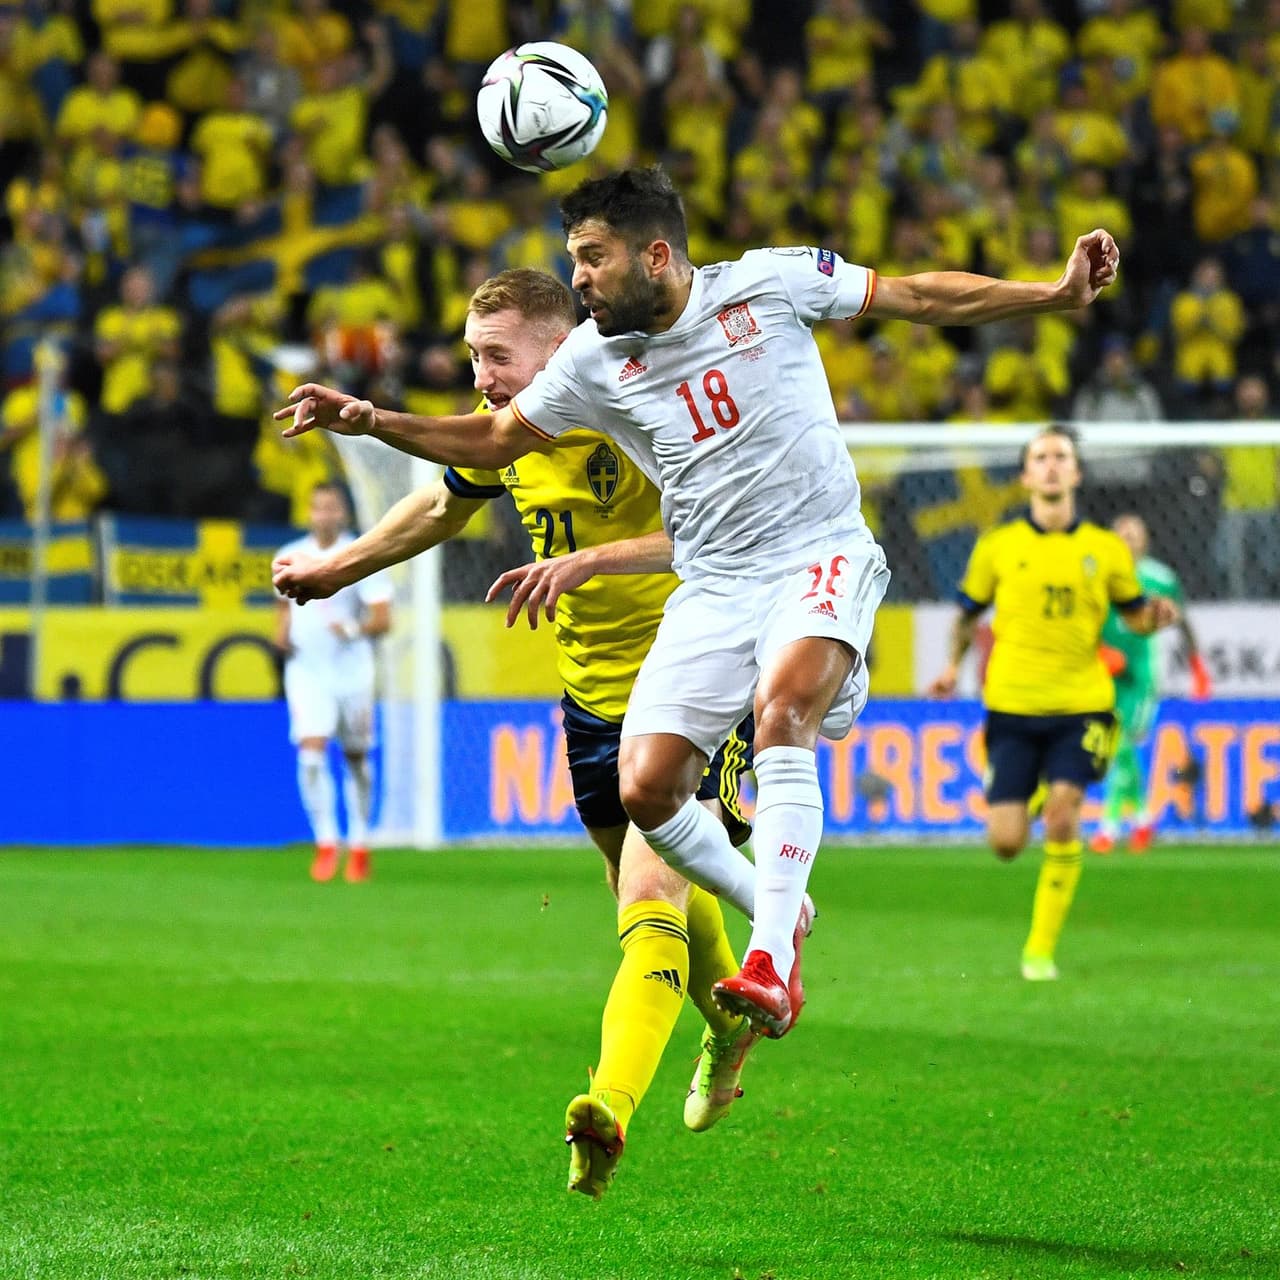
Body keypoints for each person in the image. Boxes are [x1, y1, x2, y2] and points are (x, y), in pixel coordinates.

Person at [274, 164, 1121, 1168]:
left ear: (653, 254)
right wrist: (361, 456)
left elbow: (914, 294)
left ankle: (671, 1044)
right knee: (647, 812)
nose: (579, 275)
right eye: (572, 259)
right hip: (651, 649)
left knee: (763, 745)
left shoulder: (765, 286)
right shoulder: (580, 373)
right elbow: (468, 467)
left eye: (590, 256)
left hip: (807, 560)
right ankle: (762, 944)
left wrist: (1051, 293)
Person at [273, 268, 776, 1199]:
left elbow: (728, 527)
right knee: (656, 899)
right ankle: (729, 1024)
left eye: (497, 356)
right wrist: (339, 570)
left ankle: (608, 1109)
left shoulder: (648, 401)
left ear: (560, 345)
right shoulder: (508, 433)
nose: (482, 376)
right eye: (472, 356)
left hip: (702, 682)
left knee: (651, 902)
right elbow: (438, 506)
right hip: (592, 702)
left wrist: (594, 559)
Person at [929, 427, 1180, 981]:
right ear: (1024, 475)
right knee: (1006, 842)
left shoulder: (1105, 549)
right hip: (1012, 707)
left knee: (1065, 815)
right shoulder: (997, 547)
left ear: (1076, 474)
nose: (1049, 466)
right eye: (1039, 457)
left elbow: (1134, 613)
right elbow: (969, 616)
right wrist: (951, 667)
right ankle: (1039, 791)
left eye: (1060, 457)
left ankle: (1039, 951)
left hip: (1083, 704)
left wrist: (1153, 618)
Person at [274, 481, 392, 883]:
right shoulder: (289, 555)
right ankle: (326, 842)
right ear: (309, 512)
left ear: (343, 513)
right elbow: (283, 615)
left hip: (352, 672)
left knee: (356, 757)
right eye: (317, 508)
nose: (324, 515)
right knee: (310, 753)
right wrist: (282, 636)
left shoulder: (360, 555)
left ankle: (359, 843)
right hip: (307, 671)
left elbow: (383, 619)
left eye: (332, 508)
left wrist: (354, 628)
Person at [1092, 513, 1211, 855]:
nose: (1128, 540)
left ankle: (1109, 826)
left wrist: (1198, 668)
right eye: (1122, 534)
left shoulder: (1160, 578)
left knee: (1124, 743)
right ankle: (1142, 818)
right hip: (1106, 672)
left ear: (1145, 540)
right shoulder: (1099, 576)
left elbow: (1183, 623)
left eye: (1134, 534)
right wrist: (1100, 651)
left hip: (1142, 674)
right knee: (1117, 746)